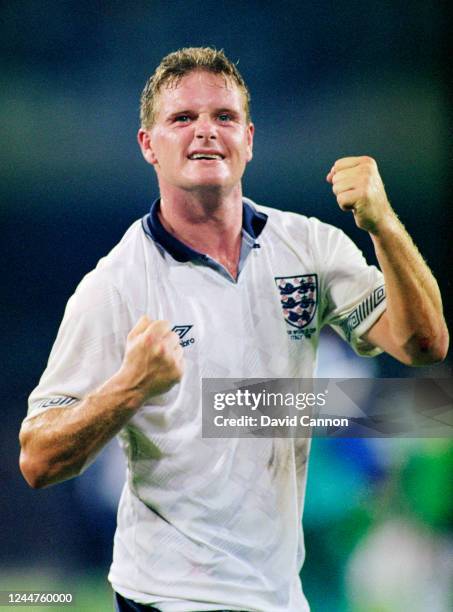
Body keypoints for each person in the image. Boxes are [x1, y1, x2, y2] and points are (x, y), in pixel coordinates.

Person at [19, 47, 448, 612]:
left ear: (249, 137)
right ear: (149, 145)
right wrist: (132, 387)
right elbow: (38, 460)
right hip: (169, 596)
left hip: (277, 594)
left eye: (223, 117)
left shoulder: (308, 246)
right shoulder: (116, 286)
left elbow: (425, 344)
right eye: (181, 119)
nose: (205, 132)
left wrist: (384, 225)